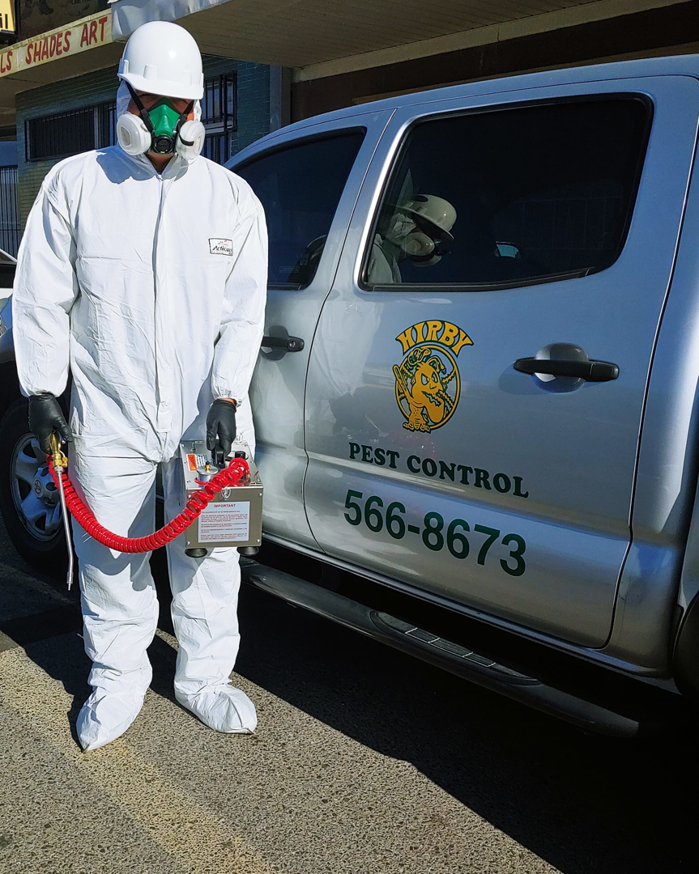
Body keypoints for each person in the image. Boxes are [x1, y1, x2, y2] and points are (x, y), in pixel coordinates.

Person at [12, 21, 268, 752]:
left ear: (196, 113)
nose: (164, 122)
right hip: (110, 414)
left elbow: (244, 313)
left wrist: (226, 394)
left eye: (179, 107)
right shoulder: (76, 185)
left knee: (209, 554)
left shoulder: (232, 201)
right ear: (123, 93)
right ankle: (117, 679)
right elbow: (40, 298)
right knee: (112, 555)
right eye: (151, 101)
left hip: (206, 423)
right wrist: (41, 391)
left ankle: (204, 679)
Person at [366, 194, 457, 283]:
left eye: (434, 235)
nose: (427, 239)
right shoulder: (367, 251)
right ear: (403, 218)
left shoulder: (389, 264)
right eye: (429, 231)